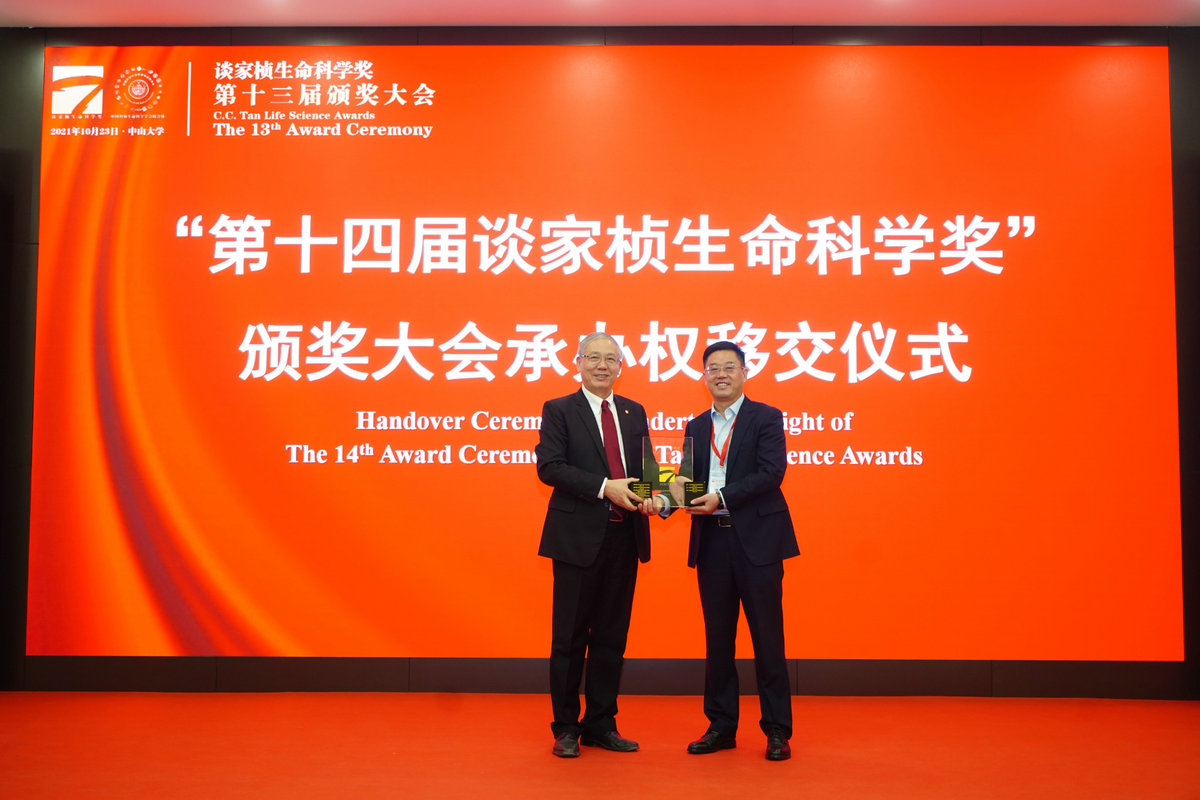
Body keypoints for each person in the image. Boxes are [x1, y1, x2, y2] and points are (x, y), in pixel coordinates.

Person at [650, 340, 799, 761]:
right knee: (718, 640)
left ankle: (776, 729)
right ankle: (720, 725)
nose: (720, 374)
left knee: (767, 637)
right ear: (704, 376)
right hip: (712, 541)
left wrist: (722, 496)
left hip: (757, 541)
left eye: (729, 367)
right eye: (712, 368)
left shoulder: (766, 417)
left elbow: (771, 473)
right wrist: (663, 501)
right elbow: (687, 480)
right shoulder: (696, 426)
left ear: (744, 372)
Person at [536, 331, 651, 759]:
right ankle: (566, 727)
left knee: (611, 637)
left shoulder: (634, 411)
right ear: (579, 362)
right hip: (577, 540)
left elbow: (645, 471)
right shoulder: (559, 409)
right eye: (594, 357)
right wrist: (605, 486)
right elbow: (550, 467)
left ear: (620, 366)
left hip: (625, 537)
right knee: (569, 638)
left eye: (611, 359)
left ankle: (601, 724)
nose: (603, 365)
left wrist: (660, 498)